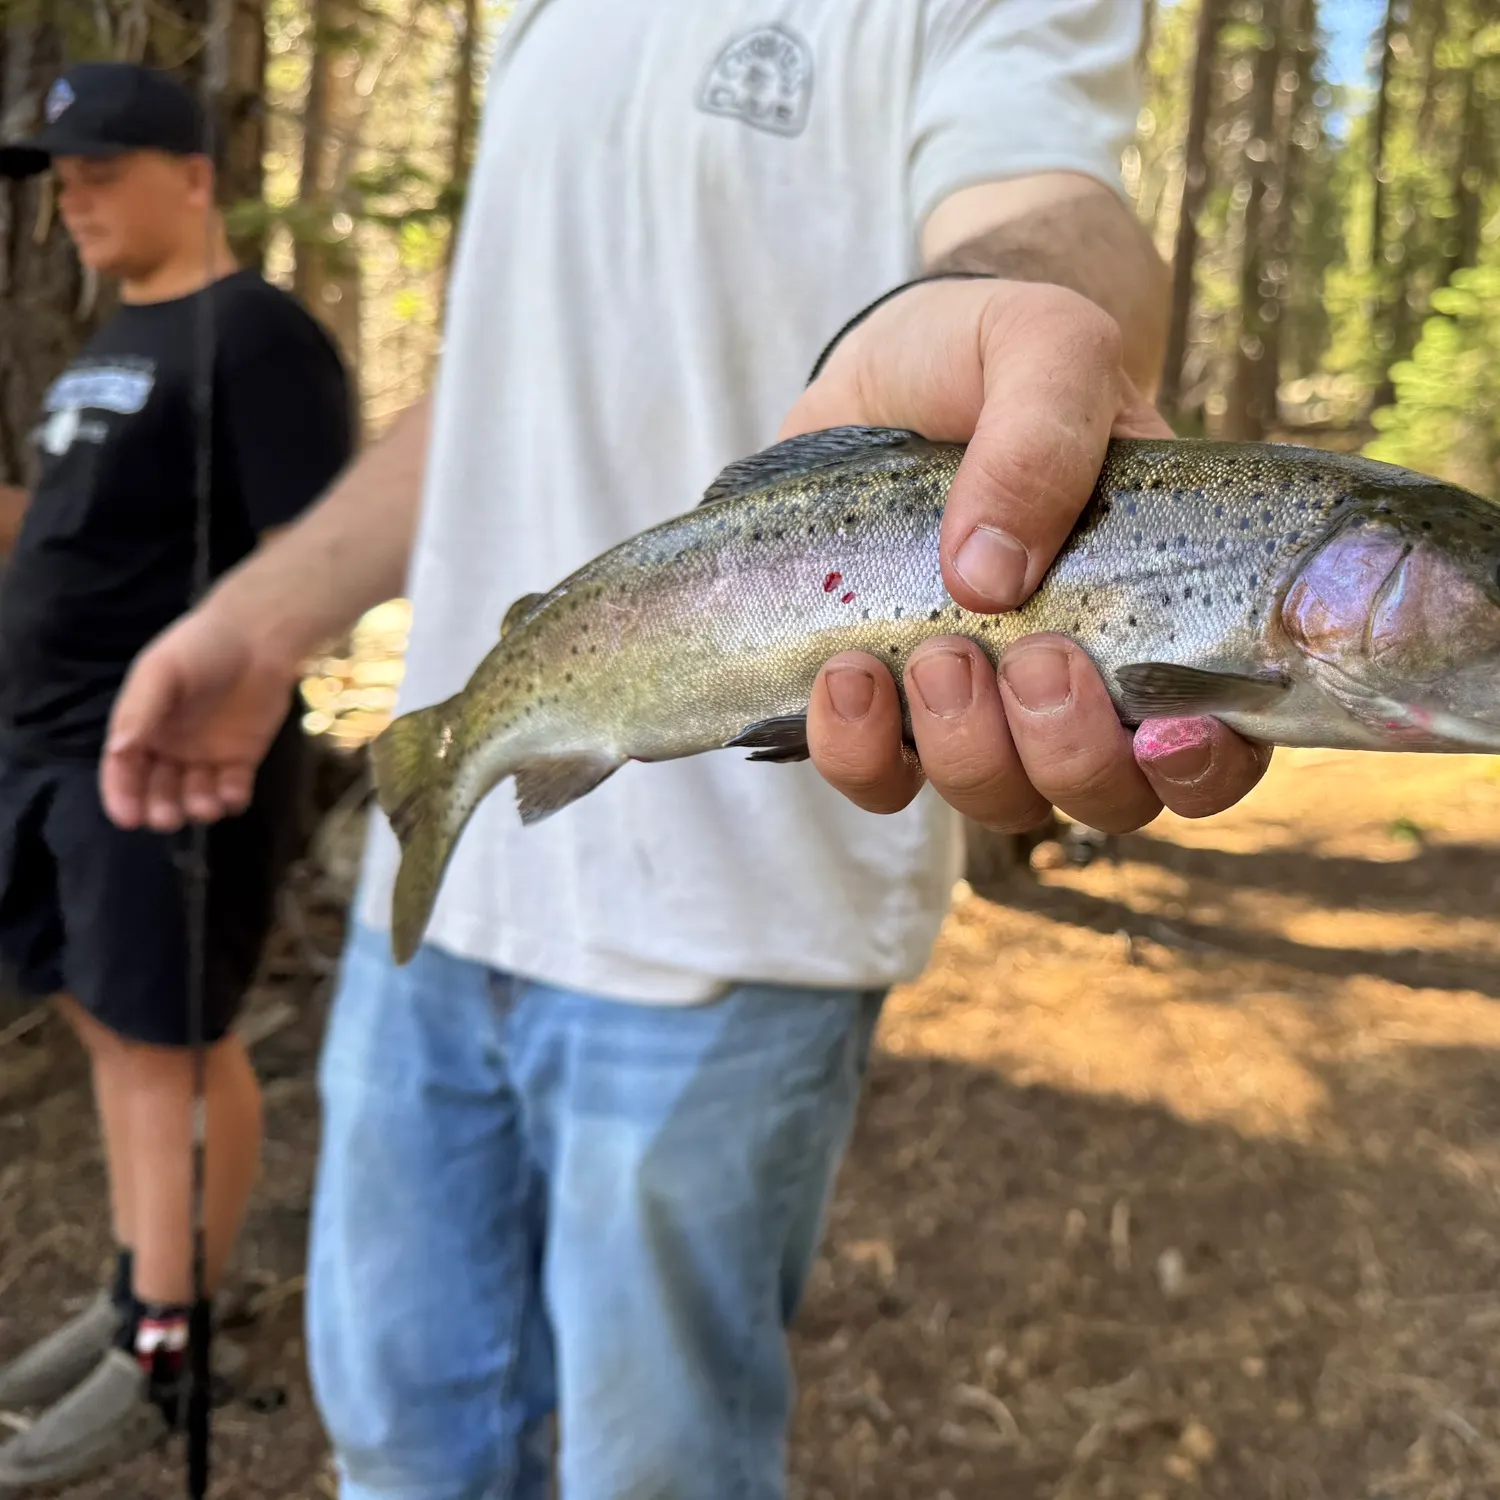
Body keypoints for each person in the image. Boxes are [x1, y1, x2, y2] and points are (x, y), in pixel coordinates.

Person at [96, 4, 1270, 1496]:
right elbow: (490, 395)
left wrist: (1023, 317)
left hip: (744, 914)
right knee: (395, 1446)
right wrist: (262, 620)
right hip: (450, 898)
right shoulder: (541, 18)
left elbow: (1050, 206)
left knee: (658, 1473)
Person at [0, 62, 353, 1491]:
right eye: (58, 177)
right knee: (104, 1021)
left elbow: (312, 554)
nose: (72, 197)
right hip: (41, 744)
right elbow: (81, 531)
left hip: (163, 761)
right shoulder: (110, 339)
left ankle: (171, 1347)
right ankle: (133, 1291)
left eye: (99, 168)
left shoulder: (255, 337)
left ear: (191, 173)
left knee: (173, 1038)